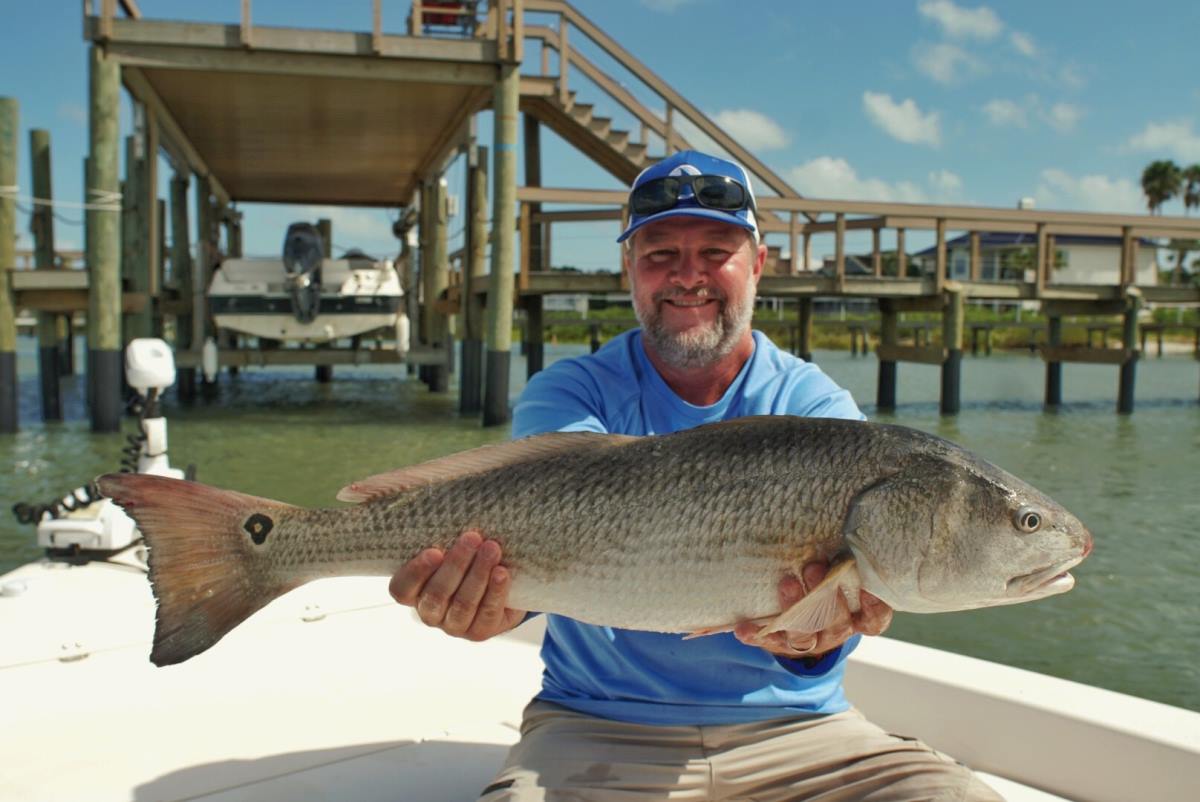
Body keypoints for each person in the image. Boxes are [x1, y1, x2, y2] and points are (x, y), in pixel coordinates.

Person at [390, 150, 1004, 801]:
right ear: (629, 267)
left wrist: (815, 642)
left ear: (758, 265)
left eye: (716, 251)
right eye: (660, 254)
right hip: (595, 728)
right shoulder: (571, 393)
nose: (689, 277)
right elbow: (543, 547)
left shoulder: (820, 411)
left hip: (800, 734)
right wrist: (490, 609)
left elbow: (835, 623)